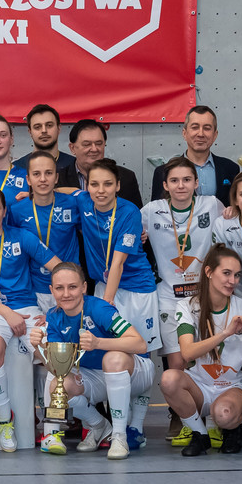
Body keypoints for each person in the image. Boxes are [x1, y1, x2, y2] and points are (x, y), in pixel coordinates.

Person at [0, 185, 60, 452]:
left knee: (54, 357)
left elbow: (59, 268)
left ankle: (52, 431)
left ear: (5, 211)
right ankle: (6, 420)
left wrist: (57, 310)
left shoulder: (22, 236)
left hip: (27, 308)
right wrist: (7, 314)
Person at [142, 156, 227, 443]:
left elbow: (236, 216)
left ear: (196, 183)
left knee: (209, 354)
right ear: (165, 185)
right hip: (169, 295)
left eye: (187, 180)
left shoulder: (212, 205)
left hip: (204, 294)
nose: (181, 185)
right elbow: (124, 224)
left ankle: (211, 415)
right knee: (177, 360)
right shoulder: (151, 211)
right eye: (175, 180)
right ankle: (181, 415)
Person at [77, 160, 160, 446]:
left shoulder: (129, 211)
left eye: (107, 184)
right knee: (111, 353)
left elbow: (118, 263)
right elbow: (64, 192)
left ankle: (136, 426)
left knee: (141, 353)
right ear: (86, 186)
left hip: (136, 290)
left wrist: (108, 302)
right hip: (104, 285)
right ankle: (115, 423)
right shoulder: (82, 202)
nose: (100, 190)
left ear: (118, 186)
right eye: (94, 184)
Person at [29, 262, 149, 460]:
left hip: (134, 373)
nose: (66, 294)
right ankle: (99, 425)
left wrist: (98, 342)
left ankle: (119, 436)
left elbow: (140, 344)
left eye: (72, 287)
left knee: (112, 358)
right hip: (95, 376)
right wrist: (38, 347)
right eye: (59, 288)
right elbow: (57, 368)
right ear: (51, 290)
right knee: (59, 385)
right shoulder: (54, 316)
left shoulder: (99, 308)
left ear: (84, 287)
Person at [162, 246, 242, 456]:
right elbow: (187, 353)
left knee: (223, 414)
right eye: (226, 273)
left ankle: (234, 428)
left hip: (233, 386)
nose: (232, 281)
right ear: (208, 272)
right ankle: (200, 434)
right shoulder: (187, 306)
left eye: (236, 275)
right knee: (169, 379)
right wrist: (225, 333)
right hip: (199, 386)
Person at [6, 149, 82, 313]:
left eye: (48, 173)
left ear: (56, 177)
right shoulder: (17, 211)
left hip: (69, 287)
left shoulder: (73, 204)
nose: (42, 179)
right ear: (28, 179)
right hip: (34, 289)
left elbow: (92, 233)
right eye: (36, 174)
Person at [150, 106, 241, 203]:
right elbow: (157, 210)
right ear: (185, 133)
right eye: (195, 127)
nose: (200, 134)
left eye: (207, 128)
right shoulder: (162, 172)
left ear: (215, 135)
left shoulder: (231, 169)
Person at [58, 119, 143, 205]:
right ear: (72, 148)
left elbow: (135, 211)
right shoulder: (58, 179)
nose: (94, 149)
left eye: (98, 144)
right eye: (87, 144)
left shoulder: (126, 177)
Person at [13, 103, 77, 176]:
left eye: (49, 125)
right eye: (37, 127)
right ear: (30, 132)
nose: (44, 130)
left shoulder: (75, 166)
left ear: (59, 128)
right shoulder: (16, 168)